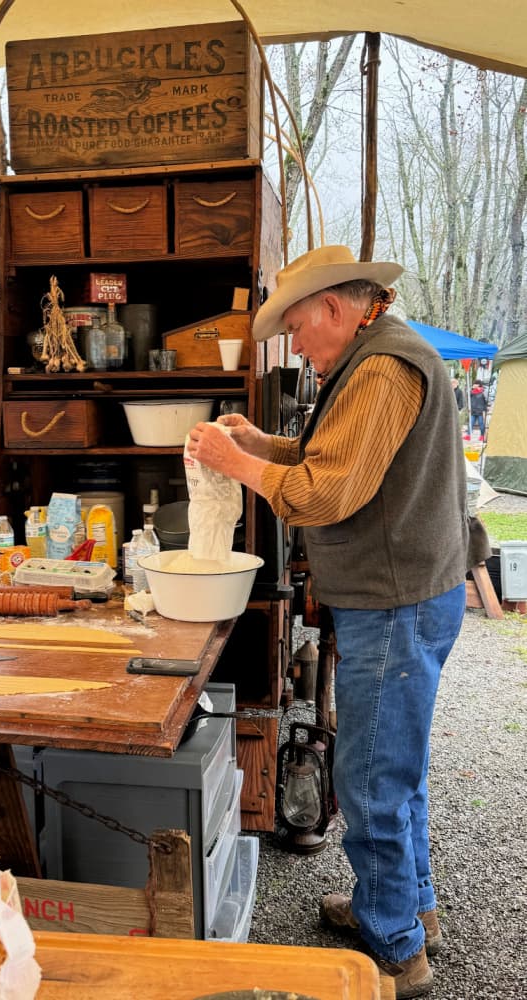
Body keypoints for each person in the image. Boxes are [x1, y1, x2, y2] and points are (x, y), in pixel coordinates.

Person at [186, 245, 488, 999]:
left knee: (370, 776)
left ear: (333, 307)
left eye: (295, 325)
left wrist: (239, 464)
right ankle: (408, 908)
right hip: (407, 594)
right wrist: (259, 445)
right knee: (396, 765)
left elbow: (327, 492)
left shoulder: (384, 368)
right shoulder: (374, 357)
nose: (294, 342)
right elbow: (334, 454)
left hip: (395, 602)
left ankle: (394, 950)